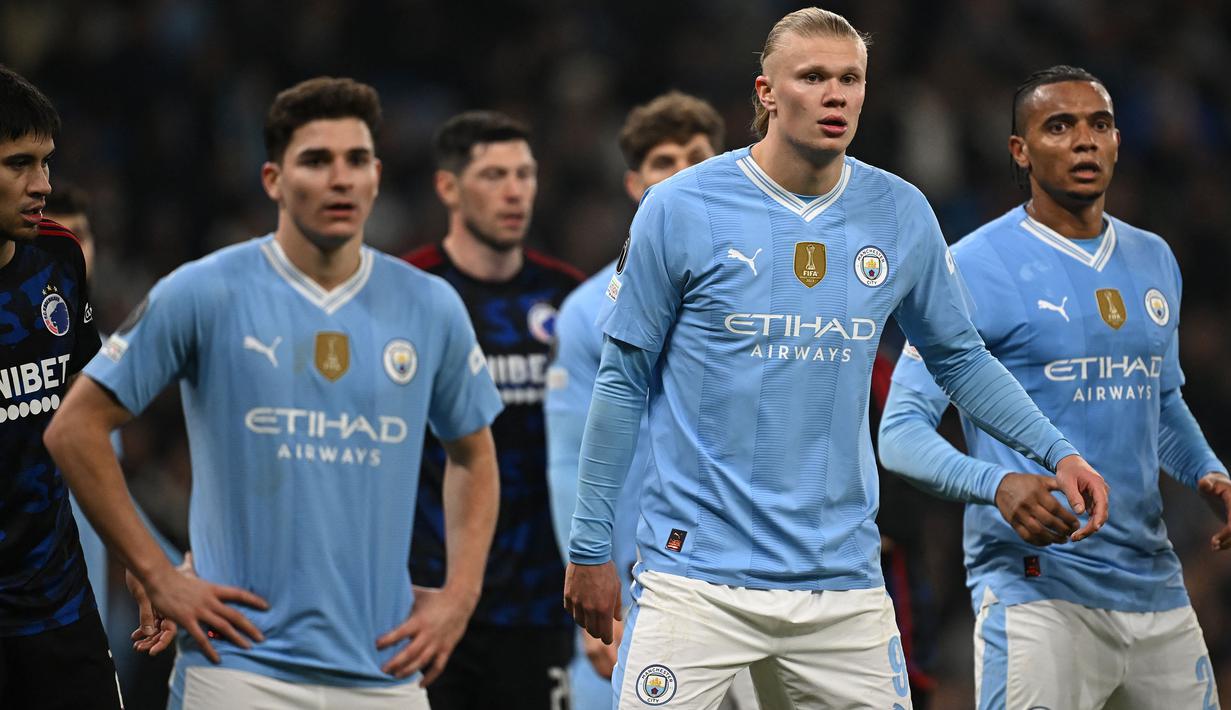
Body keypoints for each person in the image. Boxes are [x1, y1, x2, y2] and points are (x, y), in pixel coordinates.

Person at [562, 9, 1111, 709]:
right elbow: (620, 382)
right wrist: (589, 547)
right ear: (765, 93)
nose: (835, 95)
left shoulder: (901, 211)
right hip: (692, 579)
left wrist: (1054, 450)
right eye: (812, 77)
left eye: (849, 78)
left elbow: (960, 359)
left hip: (840, 585)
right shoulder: (679, 207)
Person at [44, 76, 503, 709]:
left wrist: (460, 596)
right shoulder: (204, 291)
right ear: (272, 180)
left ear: (376, 175)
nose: (339, 178)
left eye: (356, 161)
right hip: (236, 669)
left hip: (385, 674)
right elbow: (74, 429)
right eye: (316, 161)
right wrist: (155, 571)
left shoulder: (431, 306)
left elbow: (474, 454)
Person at [878, 65, 1230, 709]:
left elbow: (1161, 397)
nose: (1084, 141)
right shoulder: (972, 267)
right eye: (1059, 126)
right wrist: (996, 484)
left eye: (1099, 124)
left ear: (1119, 140)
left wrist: (1209, 472)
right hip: (1035, 591)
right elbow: (899, 433)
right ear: (1020, 150)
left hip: (1156, 589)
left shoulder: (1155, 258)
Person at [544, 91, 746, 709]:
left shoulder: (769, 291)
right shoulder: (586, 312)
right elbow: (566, 461)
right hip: (644, 596)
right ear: (636, 184)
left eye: (697, 155)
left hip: (760, 581)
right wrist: (596, 582)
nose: (682, 170)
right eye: (664, 160)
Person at [404, 110, 583, 710]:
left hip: (541, 605)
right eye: (494, 175)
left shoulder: (570, 301)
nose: (515, 191)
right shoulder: (407, 292)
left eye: (525, 174)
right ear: (448, 187)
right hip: (428, 601)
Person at [0, 63, 121, 710]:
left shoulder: (60, 256)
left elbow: (83, 419)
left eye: (45, 163)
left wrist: (136, 557)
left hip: (59, 608)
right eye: (19, 163)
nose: (42, 184)